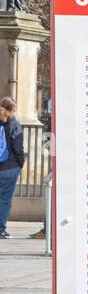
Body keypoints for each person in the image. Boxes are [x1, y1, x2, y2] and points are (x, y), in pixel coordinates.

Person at [0, 97, 25, 239]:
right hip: (9, 167)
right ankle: (1, 229)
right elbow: (17, 148)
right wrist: (21, 163)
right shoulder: (14, 124)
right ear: (13, 109)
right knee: (4, 199)